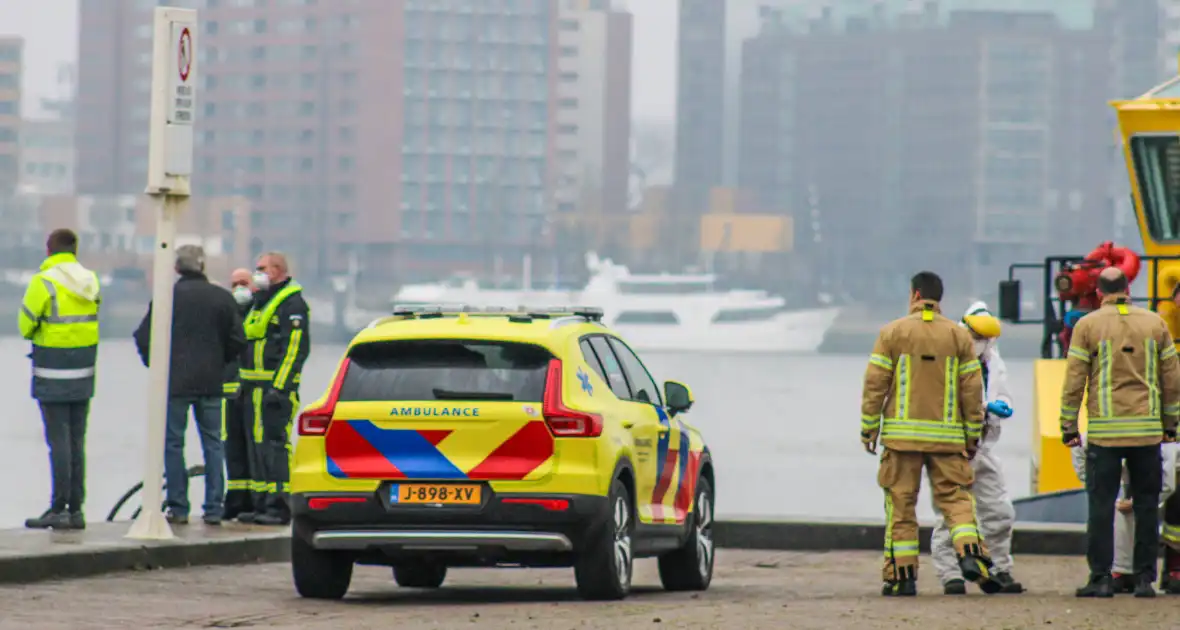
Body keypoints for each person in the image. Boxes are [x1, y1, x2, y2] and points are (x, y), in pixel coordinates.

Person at [861, 271, 999, 596]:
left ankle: (903, 577)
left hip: (900, 440)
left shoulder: (892, 333)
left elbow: (875, 383)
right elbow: (972, 390)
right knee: (957, 500)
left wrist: (869, 427)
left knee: (901, 505)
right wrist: (971, 434)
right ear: (939, 298)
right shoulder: (958, 336)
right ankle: (970, 556)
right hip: (947, 439)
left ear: (914, 295)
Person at [1060, 266, 1180, 598]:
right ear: (1129, 287)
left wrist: (1068, 426)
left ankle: (1100, 578)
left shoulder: (1087, 325)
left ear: (1099, 293)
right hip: (1147, 433)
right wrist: (1170, 425)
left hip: (1105, 434)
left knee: (1100, 508)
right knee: (1145, 507)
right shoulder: (1155, 323)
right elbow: (1171, 380)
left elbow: (1074, 381)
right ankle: (1144, 579)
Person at [133, 245, 246, 525]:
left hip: (175, 383)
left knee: (173, 443)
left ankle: (178, 506)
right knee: (213, 444)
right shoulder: (222, 298)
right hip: (211, 383)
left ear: (176, 268)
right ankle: (214, 508)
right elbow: (238, 340)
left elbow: (143, 337)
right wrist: (220, 363)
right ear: (203, 266)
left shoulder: (167, 297)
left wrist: (158, 366)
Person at [931, 301, 1024, 594]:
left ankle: (1000, 568)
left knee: (999, 511)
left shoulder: (993, 361)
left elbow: (1003, 394)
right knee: (950, 515)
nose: (981, 344)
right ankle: (950, 575)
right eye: (977, 338)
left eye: (985, 340)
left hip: (982, 446)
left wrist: (999, 408)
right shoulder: (946, 355)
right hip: (952, 447)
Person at [20, 229, 101, 530]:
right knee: (78, 439)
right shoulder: (90, 280)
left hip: (52, 369)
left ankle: (58, 507)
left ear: (49, 250)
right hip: (84, 369)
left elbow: (25, 324)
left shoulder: (44, 282)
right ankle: (76, 509)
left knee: (58, 441)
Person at [239, 252, 310, 526]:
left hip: (274, 390)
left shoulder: (292, 304)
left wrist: (279, 388)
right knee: (257, 447)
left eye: (261, 269)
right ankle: (262, 504)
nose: (256, 274)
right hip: (253, 388)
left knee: (275, 446)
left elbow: (294, 350)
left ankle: (280, 506)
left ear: (277, 270)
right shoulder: (261, 301)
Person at [1071, 434, 1179, 593]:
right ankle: (1131, 575)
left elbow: (1166, 483)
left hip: (1141, 447)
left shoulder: (1163, 446)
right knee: (1124, 509)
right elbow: (1078, 449)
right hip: (1133, 444)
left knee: (1136, 509)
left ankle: (1122, 575)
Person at [223, 268, 258, 521]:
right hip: (229, 392)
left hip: (253, 390)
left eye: (243, 283)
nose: (239, 289)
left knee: (254, 446)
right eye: (234, 284)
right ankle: (236, 501)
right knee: (232, 447)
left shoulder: (259, 312)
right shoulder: (227, 312)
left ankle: (256, 502)